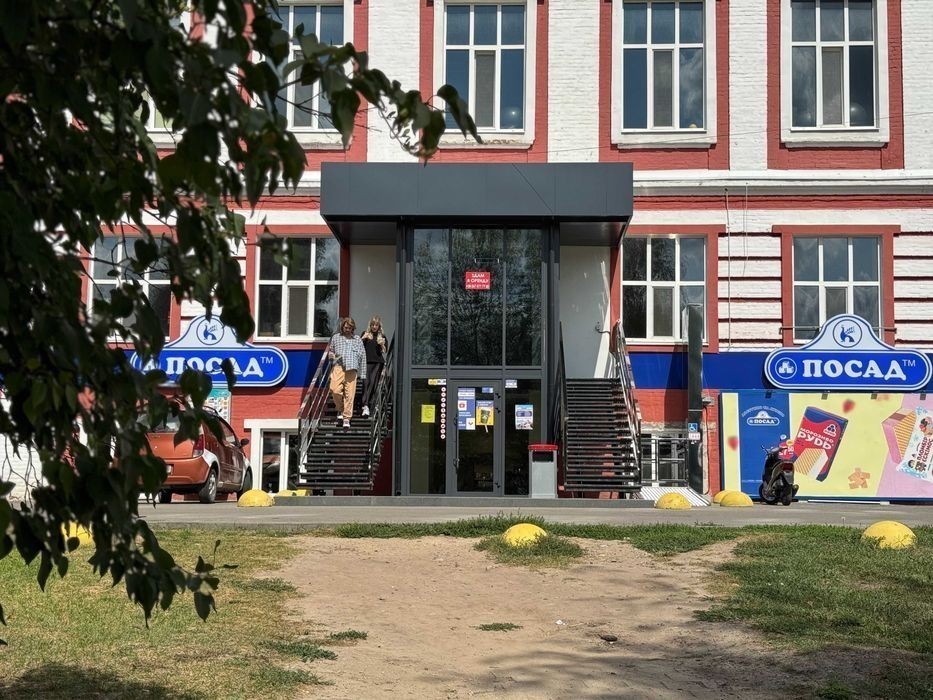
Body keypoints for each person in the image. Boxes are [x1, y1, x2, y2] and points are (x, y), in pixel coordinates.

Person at [328, 317, 366, 429]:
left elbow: (363, 356)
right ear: (342, 327)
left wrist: (363, 373)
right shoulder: (336, 338)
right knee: (334, 389)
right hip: (338, 366)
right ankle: (340, 409)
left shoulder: (357, 339)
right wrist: (331, 355)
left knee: (350, 394)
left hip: (352, 368)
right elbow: (331, 351)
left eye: (349, 328)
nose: (347, 329)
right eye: (345, 327)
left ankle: (346, 418)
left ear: (353, 328)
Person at [360, 316, 387, 417]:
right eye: (372, 325)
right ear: (370, 325)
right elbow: (357, 346)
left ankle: (368, 405)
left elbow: (385, 351)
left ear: (379, 326)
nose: (374, 327)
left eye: (376, 325)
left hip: (378, 362)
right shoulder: (365, 334)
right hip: (366, 361)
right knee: (365, 382)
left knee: (373, 382)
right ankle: (366, 404)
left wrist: (382, 344)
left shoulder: (382, 336)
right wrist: (363, 338)